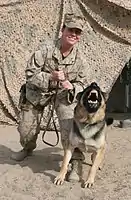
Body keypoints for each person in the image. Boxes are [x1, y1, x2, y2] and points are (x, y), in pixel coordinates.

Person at [11, 13, 88, 182]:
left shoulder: (80, 60)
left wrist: (72, 87)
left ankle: (75, 160)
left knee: (71, 126)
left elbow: (83, 83)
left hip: (62, 96)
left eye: (78, 31)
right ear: (62, 30)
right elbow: (30, 74)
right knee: (25, 130)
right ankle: (28, 147)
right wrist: (50, 78)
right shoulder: (45, 49)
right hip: (38, 93)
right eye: (71, 29)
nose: (74, 34)